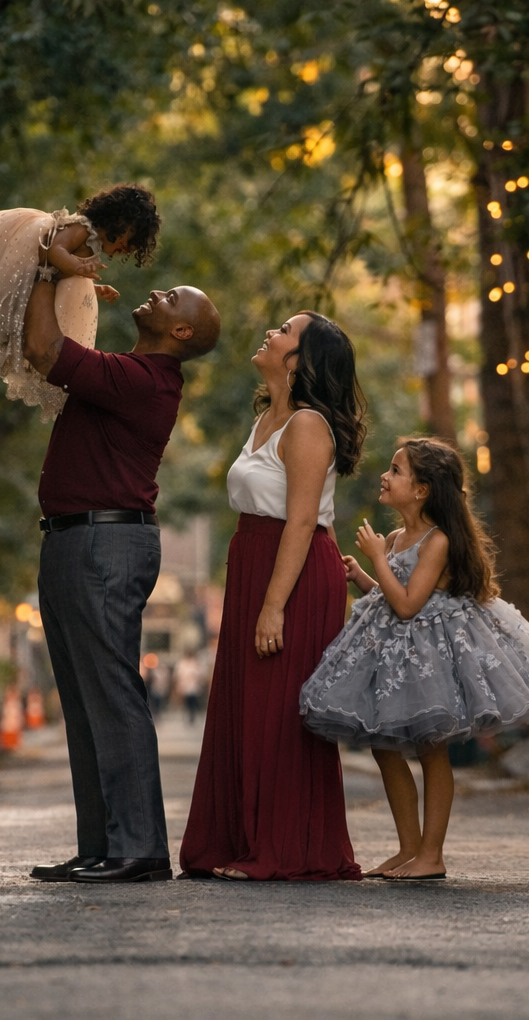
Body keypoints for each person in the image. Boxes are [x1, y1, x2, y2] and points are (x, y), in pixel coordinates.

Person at [0, 281, 220, 885]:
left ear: (182, 332)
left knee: (112, 695)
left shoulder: (144, 378)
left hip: (106, 542)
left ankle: (138, 848)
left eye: (171, 298)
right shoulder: (119, 372)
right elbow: (34, 345)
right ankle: (101, 846)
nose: (155, 293)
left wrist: (43, 267)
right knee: (85, 704)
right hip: (73, 538)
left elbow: (45, 348)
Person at [299, 438, 529, 880]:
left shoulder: (438, 541)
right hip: (396, 657)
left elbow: (408, 605)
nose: (385, 476)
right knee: (383, 747)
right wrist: (364, 575)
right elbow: (387, 597)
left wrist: (376, 559)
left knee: (431, 751)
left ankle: (432, 853)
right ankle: (408, 846)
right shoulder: (395, 537)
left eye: (396, 470)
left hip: (431, 659)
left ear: (422, 489)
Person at [179, 310, 367, 882]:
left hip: (295, 570)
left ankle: (285, 848)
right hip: (253, 563)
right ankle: (237, 839)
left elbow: (303, 520)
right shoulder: (267, 418)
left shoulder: (308, 424)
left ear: (299, 360)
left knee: (281, 712)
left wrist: (273, 604)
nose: (270, 332)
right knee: (245, 704)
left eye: (284, 331)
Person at [0, 183, 161, 417]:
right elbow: (54, 251)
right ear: (118, 220)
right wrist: (78, 265)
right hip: (21, 270)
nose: (127, 248)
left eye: (132, 248)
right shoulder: (82, 228)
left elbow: (65, 277)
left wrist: (93, 288)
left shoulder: (92, 243)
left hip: (34, 282)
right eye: (129, 239)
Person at [173, 650, 204, 725]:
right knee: (186, 703)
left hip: (193, 686)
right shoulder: (182, 663)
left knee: (193, 702)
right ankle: (186, 716)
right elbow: (178, 675)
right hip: (185, 686)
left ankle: (192, 717)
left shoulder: (195, 663)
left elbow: (200, 674)